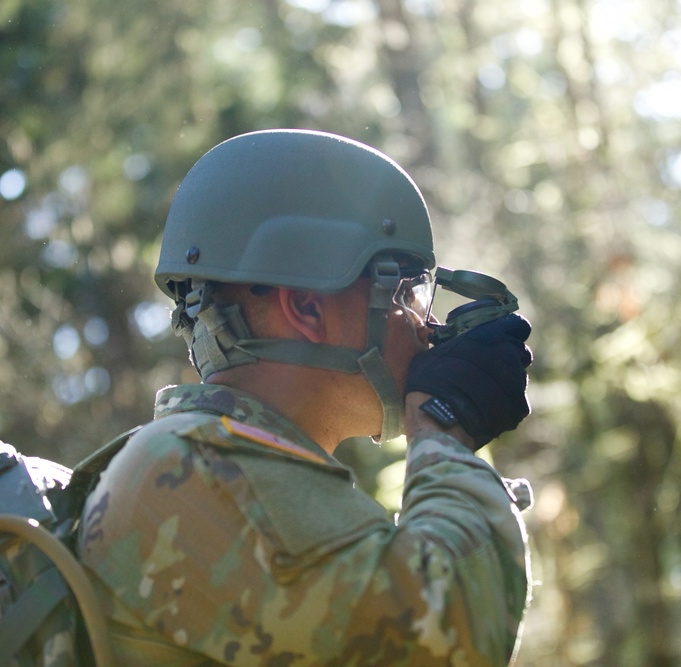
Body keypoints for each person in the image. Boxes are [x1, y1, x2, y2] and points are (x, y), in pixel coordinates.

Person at [77, 129, 534, 666]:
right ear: (309, 308)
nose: (425, 322)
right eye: (407, 290)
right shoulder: (203, 471)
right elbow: (448, 640)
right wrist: (443, 429)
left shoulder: (223, 467)